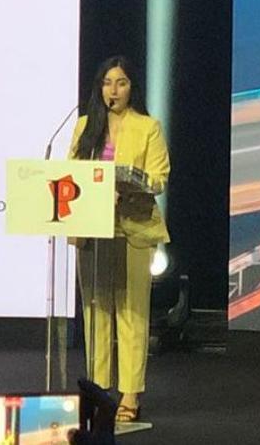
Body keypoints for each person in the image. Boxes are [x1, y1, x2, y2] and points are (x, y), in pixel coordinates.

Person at [68, 56, 170, 423]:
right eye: (108, 82)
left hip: (133, 230)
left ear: (132, 87)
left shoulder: (148, 127)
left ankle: (130, 394)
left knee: (131, 314)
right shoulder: (84, 127)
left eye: (122, 82)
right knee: (96, 311)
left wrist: (127, 187)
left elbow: (159, 178)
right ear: (99, 88)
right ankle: (97, 390)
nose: (114, 90)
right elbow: (70, 174)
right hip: (93, 230)